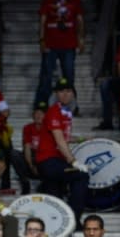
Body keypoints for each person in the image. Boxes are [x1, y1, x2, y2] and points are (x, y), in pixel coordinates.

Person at [35, 77, 89, 226]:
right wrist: (74, 161)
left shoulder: (65, 112)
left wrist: (81, 139)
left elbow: (63, 137)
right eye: (61, 91)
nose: (65, 94)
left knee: (56, 194)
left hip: (53, 160)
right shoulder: (54, 112)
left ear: (72, 94)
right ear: (56, 94)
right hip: (49, 160)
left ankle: (59, 223)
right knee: (81, 177)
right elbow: (59, 140)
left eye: (68, 91)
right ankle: (74, 218)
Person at [34, 0, 85, 106]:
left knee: (69, 76)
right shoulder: (48, 0)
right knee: (46, 76)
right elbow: (43, 20)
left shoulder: (75, 0)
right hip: (51, 43)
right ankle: (42, 105)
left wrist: (81, 38)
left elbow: (80, 20)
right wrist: (41, 39)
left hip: (69, 43)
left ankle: (71, 105)